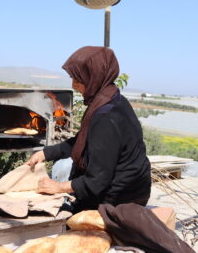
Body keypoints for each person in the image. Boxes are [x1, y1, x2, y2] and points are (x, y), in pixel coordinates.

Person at [27, 46, 151, 212]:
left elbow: (97, 181)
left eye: (78, 79)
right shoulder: (111, 99)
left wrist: (58, 187)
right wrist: (45, 153)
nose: (74, 85)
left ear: (94, 77)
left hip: (120, 198)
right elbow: (82, 142)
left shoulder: (106, 117)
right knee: (63, 169)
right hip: (132, 189)